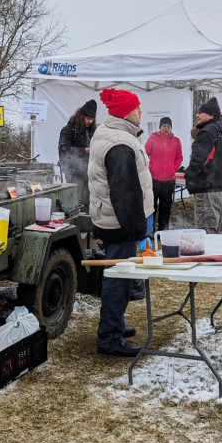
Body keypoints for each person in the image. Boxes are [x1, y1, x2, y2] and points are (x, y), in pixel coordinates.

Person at [88, 88, 154, 357]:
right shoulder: (119, 144)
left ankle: (114, 325)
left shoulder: (117, 135)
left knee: (121, 278)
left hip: (116, 220)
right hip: (120, 224)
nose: (141, 112)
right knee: (118, 280)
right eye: (138, 108)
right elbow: (125, 194)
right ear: (126, 112)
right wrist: (139, 230)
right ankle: (110, 339)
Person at [184, 97, 222, 234]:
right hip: (220, 185)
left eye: (200, 112)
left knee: (205, 228)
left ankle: (208, 255)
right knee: (213, 225)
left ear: (211, 115)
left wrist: (189, 175)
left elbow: (199, 159)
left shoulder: (207, 132)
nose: (197, 115)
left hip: (207, 187)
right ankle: (213, 252)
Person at [144, 116, 183, 231]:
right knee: (152, 206)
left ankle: (163, 229)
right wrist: (151, 167)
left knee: (166, 206)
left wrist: (174, 168)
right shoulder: (153, 138)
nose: (166, 128)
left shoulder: (176, 141)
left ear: (171, 128)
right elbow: (145, 154)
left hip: (169, 180)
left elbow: (179, 157)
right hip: (155, 179)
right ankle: (150, 230)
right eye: (164, 126)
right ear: (160, 127)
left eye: (168, 126)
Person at [58, 99, 97, 210]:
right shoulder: (68, 130)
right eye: (88, 118)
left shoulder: (92, 131)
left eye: (92, 119)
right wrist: (84, 150)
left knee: (88, 202)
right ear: (81, 117)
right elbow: (63, 149)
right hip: (73, 172)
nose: (90, 121)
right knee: (75, 203)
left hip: (88, 171)